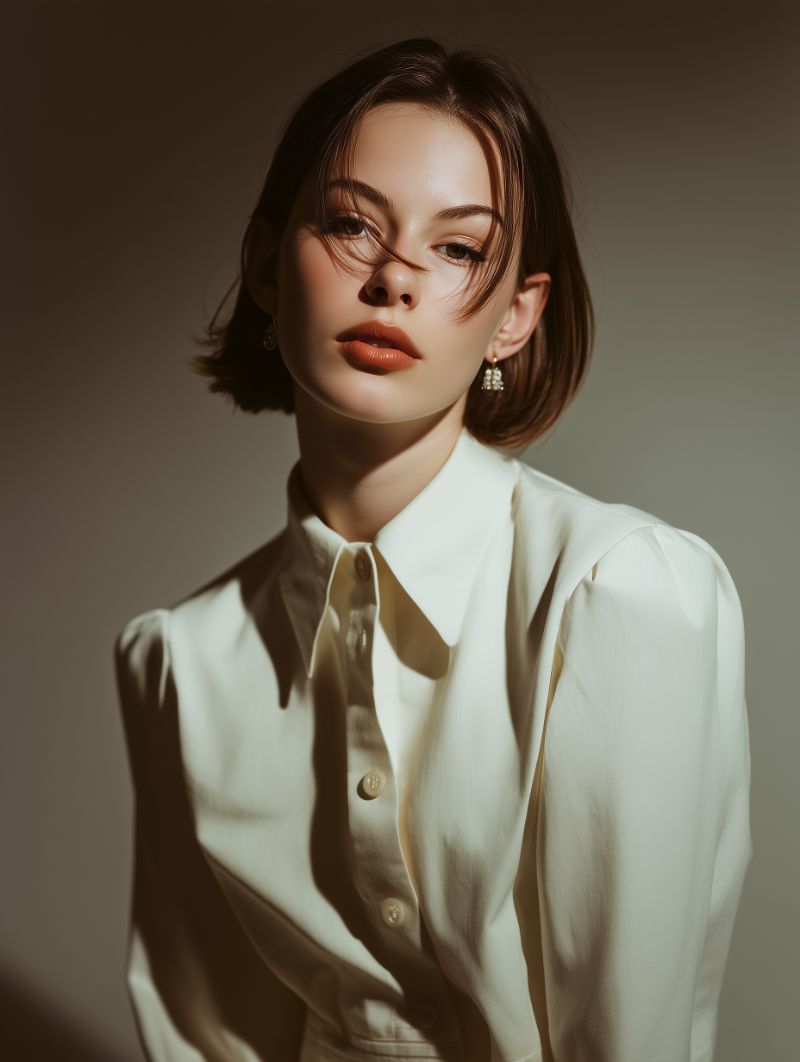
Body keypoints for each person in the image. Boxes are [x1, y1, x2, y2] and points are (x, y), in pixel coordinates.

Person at [113, 37, 753, 1062]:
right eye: (351, 225)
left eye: (456, 248)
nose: (394, 279)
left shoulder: (619, 596)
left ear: (514, 316)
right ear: (264, 265)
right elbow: (207, 1037)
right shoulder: (181, 664)